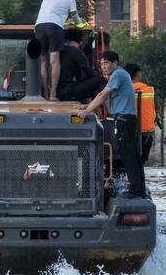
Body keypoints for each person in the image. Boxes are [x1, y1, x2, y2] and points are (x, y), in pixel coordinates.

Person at [76, 51, 146, 198]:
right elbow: (103, 96)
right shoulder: (118, 76)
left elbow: (103, 95)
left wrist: (87, 111)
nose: (103, 66)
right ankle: (139, 189)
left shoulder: (118, 75)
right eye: (101, 63)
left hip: (123, 120)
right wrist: (86, 107)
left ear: (115, 63)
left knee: (129, 157)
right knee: (133, 156)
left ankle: (135, 191)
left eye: (106, 63)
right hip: (126, 119)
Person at [35, 0, 86, 100]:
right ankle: (53, 95)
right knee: (54, 61)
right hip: (54, 27)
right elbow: (76, 19)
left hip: (39, 26)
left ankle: (45, 95)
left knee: (43, 61)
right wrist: (81, 23)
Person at [58, 30, 106, 102]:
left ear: (67, 40)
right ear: (81, 42)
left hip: (60, 91)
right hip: (69, 91)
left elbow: (84, 53)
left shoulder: (60, 52)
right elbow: (88, 72)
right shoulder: (77, 52)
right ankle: (98, 106)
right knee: (101, 80)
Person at [124, 63, 157, 164]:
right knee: (140, 163)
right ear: (138, 74)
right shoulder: (150, 90)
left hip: (130, 133)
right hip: (147, 135)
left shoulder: (123, 90)